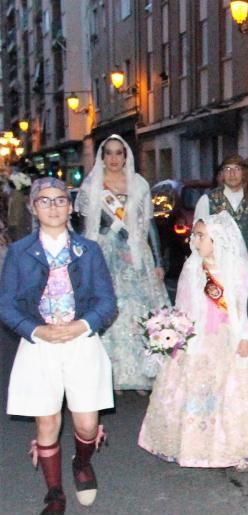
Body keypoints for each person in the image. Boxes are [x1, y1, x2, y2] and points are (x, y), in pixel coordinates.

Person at [0, 177, 117, 515]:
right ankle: (54, 493)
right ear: (34, 208)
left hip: (81, 340)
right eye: (45, 201)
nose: (54, 207)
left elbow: (106, 302)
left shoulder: (89, 250)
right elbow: (7, 305)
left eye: (61, 200)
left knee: (87, 423)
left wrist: (81, 326)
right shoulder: (19, 252)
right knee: (47, 421)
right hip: (39, 345)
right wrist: (37, 330)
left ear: (70, 207)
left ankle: (82, 462)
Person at [138, 212, 248, 469]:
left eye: (201, 235)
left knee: (235, 392)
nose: (195, 240)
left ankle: (239, 448)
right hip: (200, 339)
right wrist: (176, 332)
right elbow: (185, 304)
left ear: (218, 239)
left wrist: (247, 336)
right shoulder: (192, 267)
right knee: (200, 391)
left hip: (232, 338)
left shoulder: (238, 268)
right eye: (195, 235)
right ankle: (200, 446)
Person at [76, 134, 169, 394]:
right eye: (109, 153)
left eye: (119, 153)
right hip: (104, 254)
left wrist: (159, 261)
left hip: (136, 253)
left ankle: (144, 372)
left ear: (126, 156)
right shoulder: (92, 185)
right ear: (102, 156)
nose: (114, 158)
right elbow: (85, 226)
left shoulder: (139, 184)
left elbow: (149, 224)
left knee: (141, 311)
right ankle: (112, 373)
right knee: (108, 311)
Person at [193, 155, 248, 255]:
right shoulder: (207, 201)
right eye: (228, 169)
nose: (232, 173)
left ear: (244, 173)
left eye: (237, 169)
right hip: (217, 265)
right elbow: (198, 237)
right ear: (222, 174)